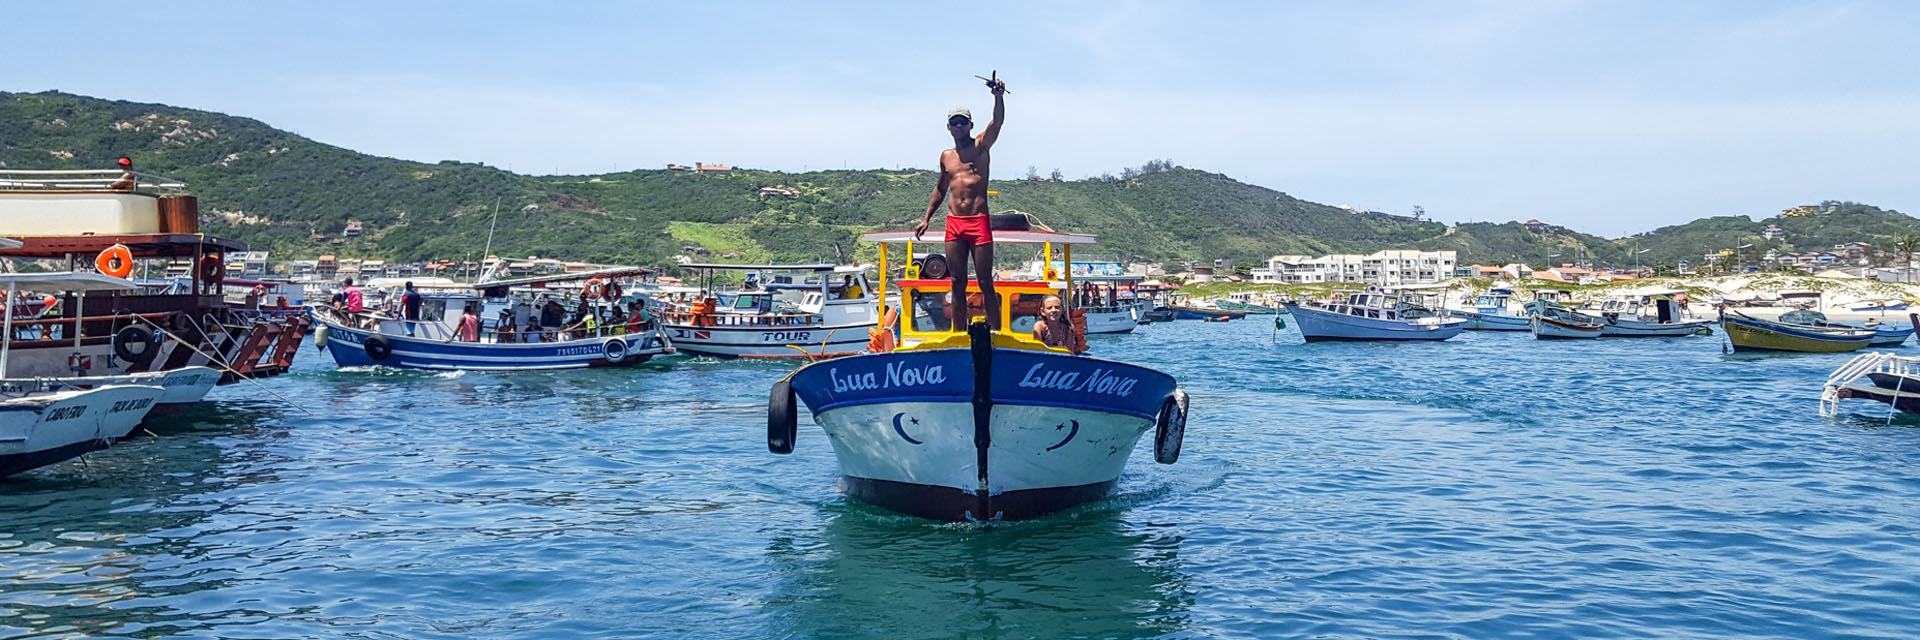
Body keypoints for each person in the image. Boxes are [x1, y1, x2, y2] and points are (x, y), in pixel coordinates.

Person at [912, 73, 1007, 332]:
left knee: (985, 281)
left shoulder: (980, 147)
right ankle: (958, 332)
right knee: (957, 281)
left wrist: (998, 97)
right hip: (954, 223)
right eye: (954, 123)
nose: (958, 126)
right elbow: (941, 188)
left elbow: (997, 123)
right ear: (948, 127)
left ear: (970, 125)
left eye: (962, 122)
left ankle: (996, 332)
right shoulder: (946, 156)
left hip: (978, 222)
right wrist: (926, 218)